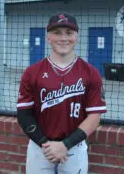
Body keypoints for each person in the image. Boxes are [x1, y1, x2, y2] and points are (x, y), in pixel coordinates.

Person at [17, 13, 106, 174]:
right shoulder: (31, 72)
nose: (63, 38)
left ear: (77, 36)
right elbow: (24, 115)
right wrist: (46, 145)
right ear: (48, 37)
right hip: (40, 147)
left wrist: (65, 145)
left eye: (69, 33)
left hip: (75, 147)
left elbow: (94, 117)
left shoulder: (91, 73)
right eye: (57, 32)